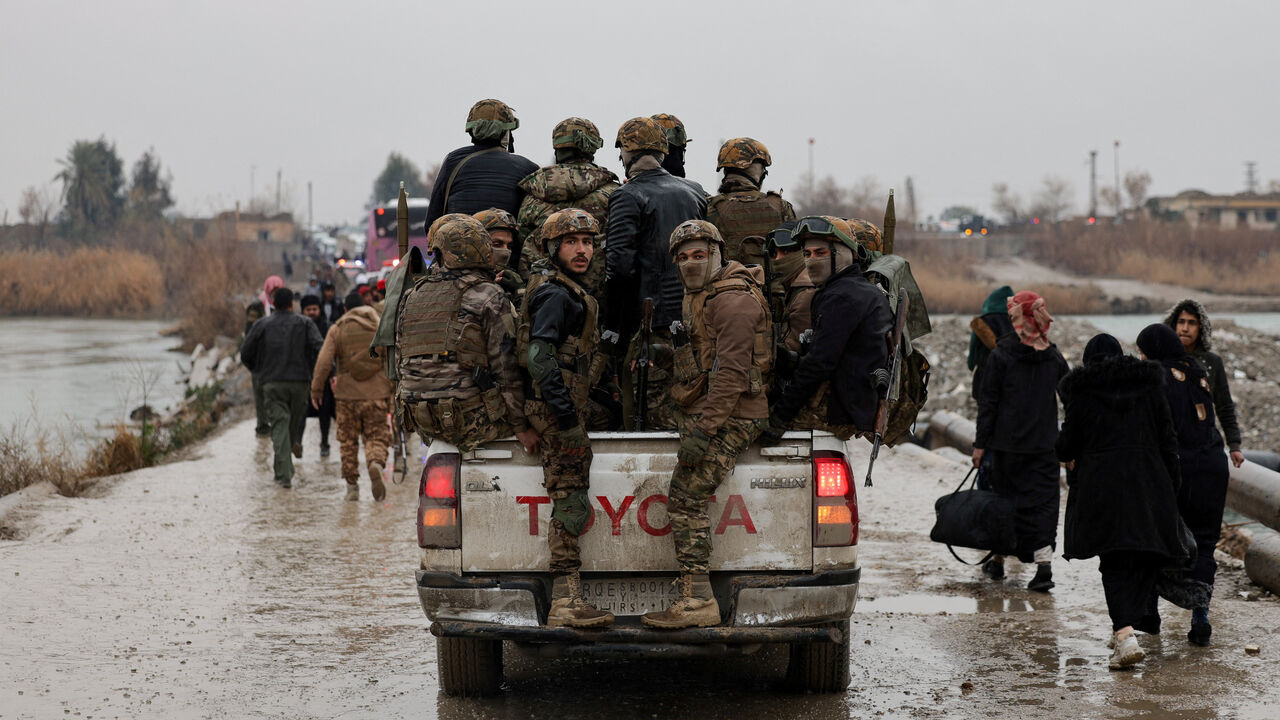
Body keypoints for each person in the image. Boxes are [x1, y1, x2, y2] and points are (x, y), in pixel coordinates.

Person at [641, 220, 771, 629]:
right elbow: (704, 359)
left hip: (737, 414)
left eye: (700, 255)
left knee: (684, 496)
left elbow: (731, 376)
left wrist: (703, 432)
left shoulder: (731, 301)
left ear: (717, 255)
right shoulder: (703, 294)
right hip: (712, 403)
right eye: (683, 257)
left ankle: (698, 600)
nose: (691, 263)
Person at [1056, 334, 1189, 670]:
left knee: (1113, 559)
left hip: (1102, 487)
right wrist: (1171, 485)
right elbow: (1167, 438)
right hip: (1149, 481)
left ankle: (1124, 633)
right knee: (1146, 554)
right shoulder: (1149, 386)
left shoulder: (1082, 392)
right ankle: (1126, 626)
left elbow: (1065, 447)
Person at [518, 208, 612, 628]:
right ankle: (566, 600)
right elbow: (540, 359)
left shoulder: (568, 290)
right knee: (570, 501)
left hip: (566, 407)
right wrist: (567, 421)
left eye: (588, 242)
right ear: (553, 247)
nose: (582, 249)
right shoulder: (555, 295)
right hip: (558, 415)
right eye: (572, 242)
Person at [394, 214, 537, 455]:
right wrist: (521, 427)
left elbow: (400, 361)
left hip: (420, 420)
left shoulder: (412, 295)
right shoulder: (489, 295)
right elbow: (506, 368)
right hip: (471, 421)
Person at [605, 116, 707, 430]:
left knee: (647, 415)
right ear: (663, 152)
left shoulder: (627, 196)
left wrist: (613, 327)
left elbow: (619, 267)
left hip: (648, 326)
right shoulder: (696, 192)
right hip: (694, 319)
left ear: (625, 153)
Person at [1136, 323, 1231, 646]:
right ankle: (1200, 615)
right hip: (1213, 465)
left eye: (1143, 351)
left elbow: (1154, 428)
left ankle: (1149, 613)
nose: (1142, 357)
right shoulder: (1198, 370)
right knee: (1204, 541)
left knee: (1159, 536)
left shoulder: (1155, 375)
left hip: (1178, 469)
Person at [970, 290, 1069, 590]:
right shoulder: (1053, 356)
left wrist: (980, 445)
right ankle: (1043, 567)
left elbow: (989, 403)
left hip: (1007, 447)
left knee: (1005, 504)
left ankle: (998, 562)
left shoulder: (1001, 355)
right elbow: (1072, 398)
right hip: (1044, 447)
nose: (1012, 322)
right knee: (1043, 506)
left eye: (1014, 317)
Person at [761, 216, 892, 441]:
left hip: (838, 409)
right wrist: (790, 360)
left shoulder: (841, 297)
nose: (811, 261)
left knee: (750, 423)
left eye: (820, 253)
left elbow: (820, 364)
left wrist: (779, 418)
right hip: (853, 400)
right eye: (807, 254)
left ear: (841, 254)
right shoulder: (856, 288)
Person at [516, 117, 619, 304]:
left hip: (541, 298)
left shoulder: (533, 195)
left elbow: (521, 240)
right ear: (592, 148)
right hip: (597, 300)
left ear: (557, 148)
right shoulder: (613, 194)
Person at [311, 291, 395, 501]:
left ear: (346, 309)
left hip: (346, 396)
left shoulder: (337, 328)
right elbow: (394, 358)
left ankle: (352, 488)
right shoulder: (380, 325)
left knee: (348, 441)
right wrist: (393, 388)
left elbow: (323, 362)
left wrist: (316, 390)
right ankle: (375, 463)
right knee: (376, 436)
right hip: (376, 393)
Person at [240, 287, 324, 487]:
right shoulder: (305, 323)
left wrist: (258, 371)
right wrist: (317, 373)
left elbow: (245, 353)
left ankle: (283, 473)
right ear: (291, 304)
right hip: (301, 383)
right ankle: (284, 471)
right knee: (290, 426)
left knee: (280, 426)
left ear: (273, 304)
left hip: (272, 383)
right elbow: (320, 347)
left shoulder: (262, 324)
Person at [423, 99, 539, 230]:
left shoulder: (453, 161)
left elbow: (431, 224)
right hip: (508, 248)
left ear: (472, 130)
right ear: (506, 133)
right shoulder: (528, 168)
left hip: (457, 248)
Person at [1162, 299, 1245, 468]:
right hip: (1169, 447)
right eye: (1181, 322)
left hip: (1203, 446)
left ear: (1201, 328)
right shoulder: (1162, 361)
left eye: (1192, 323)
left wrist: (1234, 445)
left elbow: (1224, 405)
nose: (1185, 328)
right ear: (1173, 324)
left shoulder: (1212, 363)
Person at [705, 137, 795, 268]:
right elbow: (796, 258)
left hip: (729, 287)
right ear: (759, 172)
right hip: (775, 287)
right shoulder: (781, 207)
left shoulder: (711, 208)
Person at [245, 275, 286, 436]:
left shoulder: (282, 306)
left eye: (278, 291)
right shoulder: (257, 307)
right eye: (273, 291)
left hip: (279, 358)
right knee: (260, 392)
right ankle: (262, 427)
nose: (275, 294)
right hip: (260, 358)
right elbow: (249, 333)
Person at [299, 295, 336, 457]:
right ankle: (297, 443)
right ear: (303, 311)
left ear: (319, 310)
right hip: (303, 376)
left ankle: (324, 442)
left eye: (314, 309)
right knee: (301, 412)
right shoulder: (298, 327)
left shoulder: (328, 327)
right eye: (308, 310)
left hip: (324, 377)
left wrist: (333, 373)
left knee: (325, 412)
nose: (312, 313)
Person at [968, 286, 1015, 401]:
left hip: (985, 376)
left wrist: (971, 364)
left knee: (986, 413)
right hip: (1010, 378)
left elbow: (972, 354)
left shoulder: (981, 322)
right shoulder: (1015, 321)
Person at [473, 207, 525, 301]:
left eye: (509, 246)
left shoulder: (508, 279)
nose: (505, 253)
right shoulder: (467, 282)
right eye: (497, 244)